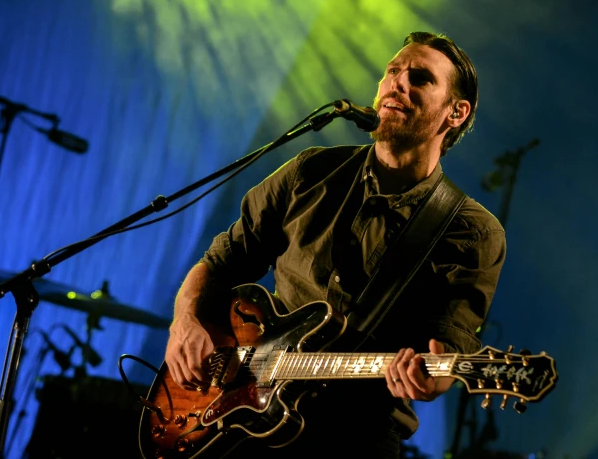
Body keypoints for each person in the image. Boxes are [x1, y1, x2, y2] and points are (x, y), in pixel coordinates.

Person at [164, 31, 506, 458]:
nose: (396, 84)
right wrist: (185, 320)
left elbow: (444, 355)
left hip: (357, 434)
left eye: (419, 78)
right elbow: (221, 262)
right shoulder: (311, 172)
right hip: (245, 416)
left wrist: (429, 376)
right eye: (392, 72)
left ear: (456, 112)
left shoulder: (471, 231)